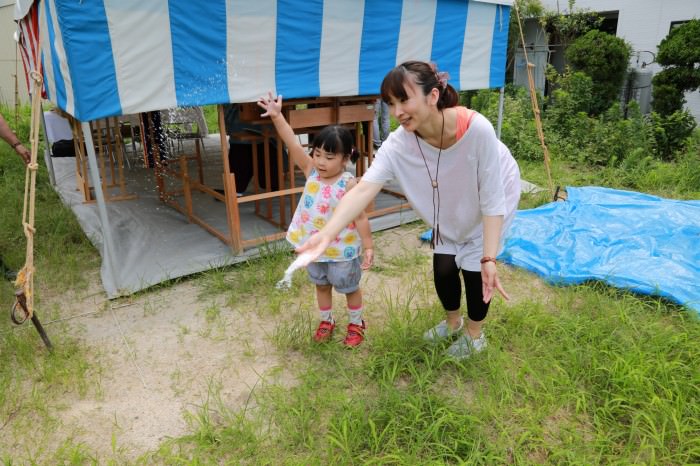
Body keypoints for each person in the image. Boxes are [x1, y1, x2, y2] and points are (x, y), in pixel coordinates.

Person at [296, 61, 521, 360]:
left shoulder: (477, 129)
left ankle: (474, 334)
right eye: (391, 103)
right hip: (451, 200)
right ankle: (452, 323)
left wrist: (489, 256)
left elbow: (493, 200)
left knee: (474, 270)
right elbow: (363, 189)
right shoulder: (399, 143)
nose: (397, 111)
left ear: (433, 96)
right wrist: (326, 233)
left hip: (494, 194)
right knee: (443, 266)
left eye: (404, 99)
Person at [257, 92, 375, 347]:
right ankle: (326, 320)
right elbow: (292, 143)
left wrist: (368, 247)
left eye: (329, 157)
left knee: (348, 287)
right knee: (321, 286)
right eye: (318, 153)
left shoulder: (349, 183)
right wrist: (277, 116)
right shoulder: (311, 171)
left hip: (342, 249)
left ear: (345, 159)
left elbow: (362, 217)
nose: (321, 161)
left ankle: (356, 323)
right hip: (313, 247)